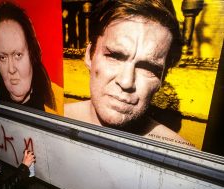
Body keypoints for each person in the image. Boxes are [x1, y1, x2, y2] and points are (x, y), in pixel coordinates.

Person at [65, 0, 194, 147]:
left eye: (148, 67)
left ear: (162, 79)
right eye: (115, 56)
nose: (126, 82)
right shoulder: (52, 118)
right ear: (89, 55)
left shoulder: (181, 155)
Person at [0, 1, 55, 111]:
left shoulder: (55, 105)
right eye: (2, 57)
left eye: (18, 55)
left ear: (32, 52)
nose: (11, 69)